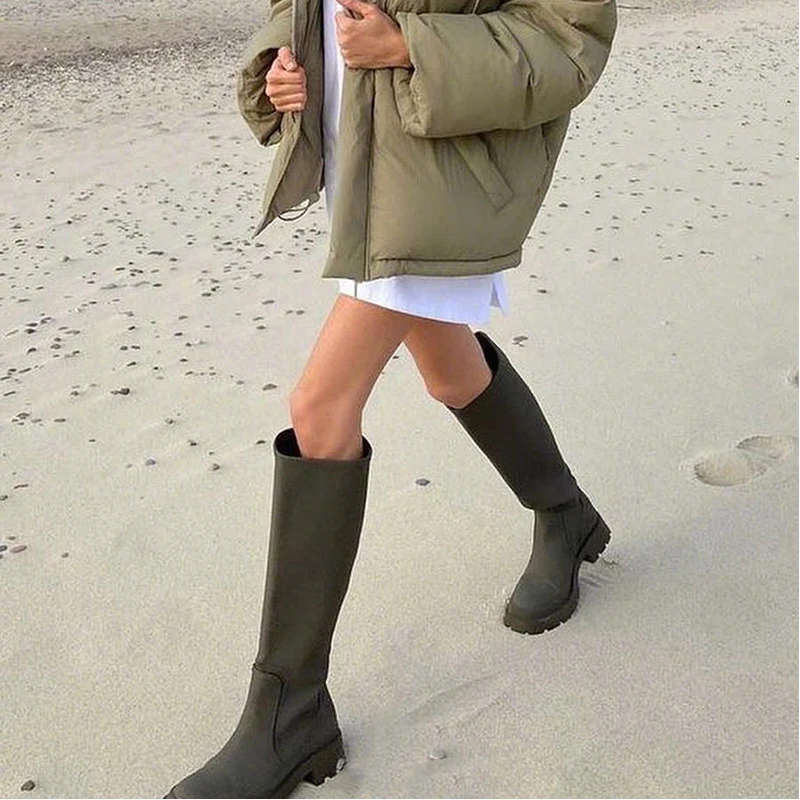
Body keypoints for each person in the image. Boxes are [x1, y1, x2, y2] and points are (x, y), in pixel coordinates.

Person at [163, 0, 616, 796]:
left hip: (444, 172)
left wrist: (412, 43)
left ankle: (292, 708)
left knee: (319, 406)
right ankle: (566, 514)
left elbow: (569, 38)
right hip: (362, 162)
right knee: (449, 370)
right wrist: (281, 68)